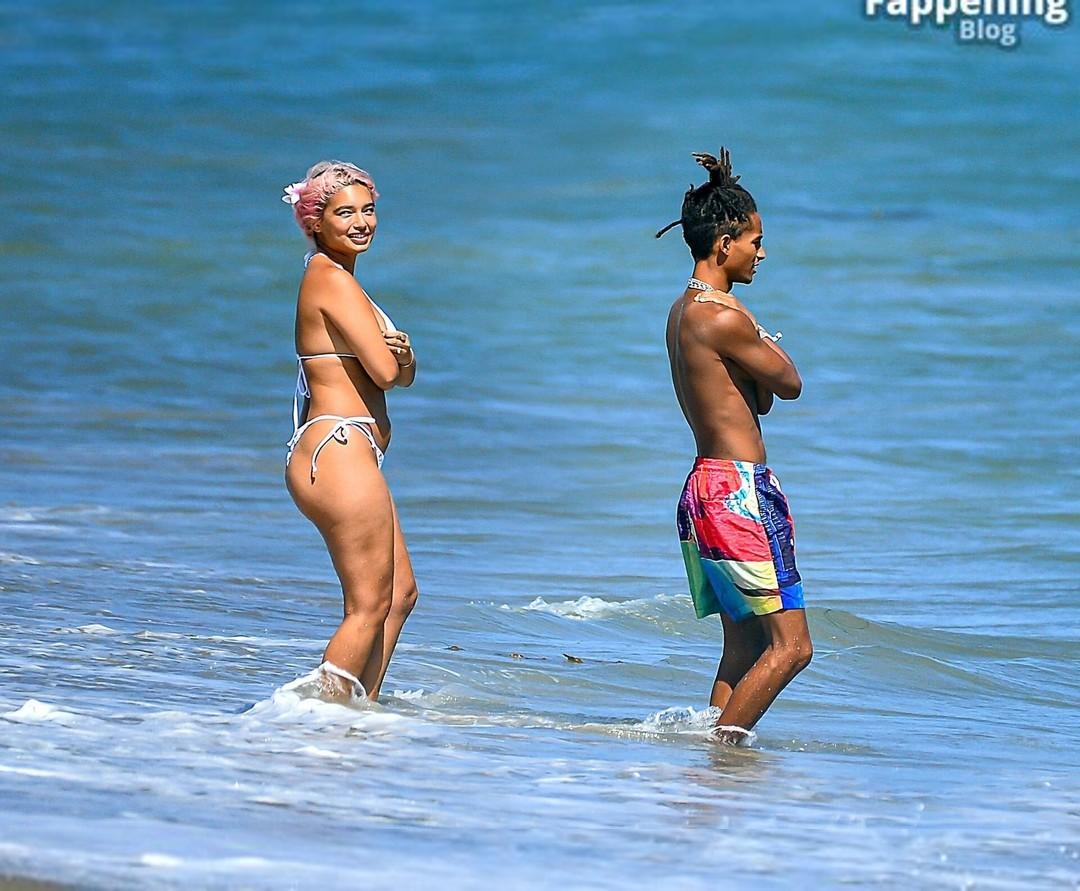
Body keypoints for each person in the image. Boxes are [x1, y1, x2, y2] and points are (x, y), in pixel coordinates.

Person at [658, 148, 813, 744]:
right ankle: (724, 751)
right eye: (755, 241)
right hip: (738, 490)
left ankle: (710, 762)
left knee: (745, 643)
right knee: (792, 648)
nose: (762, 253)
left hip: (704, 486)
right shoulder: (723, 317)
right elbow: (789, 384)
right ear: (724, 244)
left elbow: (760, 397)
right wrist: (753, 325)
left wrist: (750, 334)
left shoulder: (683, 311)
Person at [281, 160, 418, 701]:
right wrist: (399, 357)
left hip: (350, 452)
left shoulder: (342, 280)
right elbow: (386, 372)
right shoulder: (330, 279)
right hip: (336, 450)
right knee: (367, 605)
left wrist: (403, 359)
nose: (361, 222)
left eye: (368, 210)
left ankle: (355, 717)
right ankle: (312, 722)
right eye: (345, 213)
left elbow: (401, 374)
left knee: (399, 596)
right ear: (315, 221)